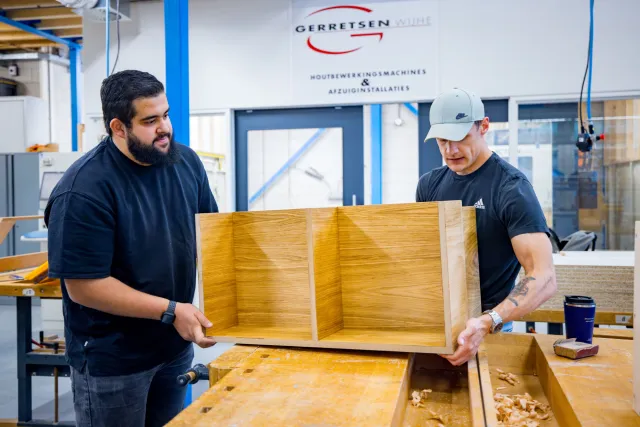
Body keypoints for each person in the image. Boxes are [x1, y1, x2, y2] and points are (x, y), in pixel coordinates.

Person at [44, 70, 218, 426]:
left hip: (173, 348)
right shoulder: (84, 189)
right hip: (115, 360)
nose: (165, 128)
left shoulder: (185, 163)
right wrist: (172, 310)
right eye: (150, 120)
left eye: (165, 115)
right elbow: (84, 287)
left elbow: (210, 236)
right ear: (118, 127)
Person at [416, 87, 557, 366]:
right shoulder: (428, 185)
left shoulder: (511, 188)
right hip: (437, 324)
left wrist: (487, 321)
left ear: (484, 127)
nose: (450, 150)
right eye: (442, 141)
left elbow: (544, 276)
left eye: (460, 138)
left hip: (489, 328)